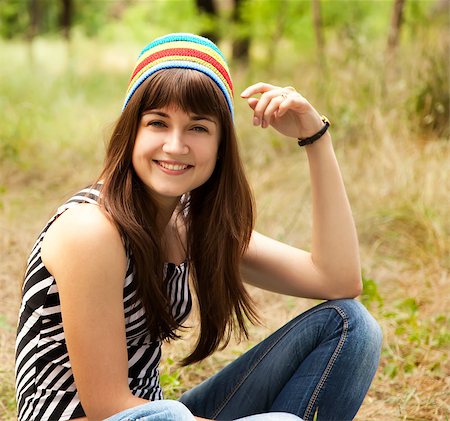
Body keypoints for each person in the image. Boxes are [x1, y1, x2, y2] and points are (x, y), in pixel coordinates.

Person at [15, 33, 382, 421]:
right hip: (108, 416)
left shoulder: (188, 222)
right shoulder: (91, 230)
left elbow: (337, 281)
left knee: (351, 325)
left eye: (198, 128)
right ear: (131, 131)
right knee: (172, 415)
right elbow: (109, 407)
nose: (175, 146)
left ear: (221, 144)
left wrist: (315, 138)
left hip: (157, 413)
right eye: (158, 123)